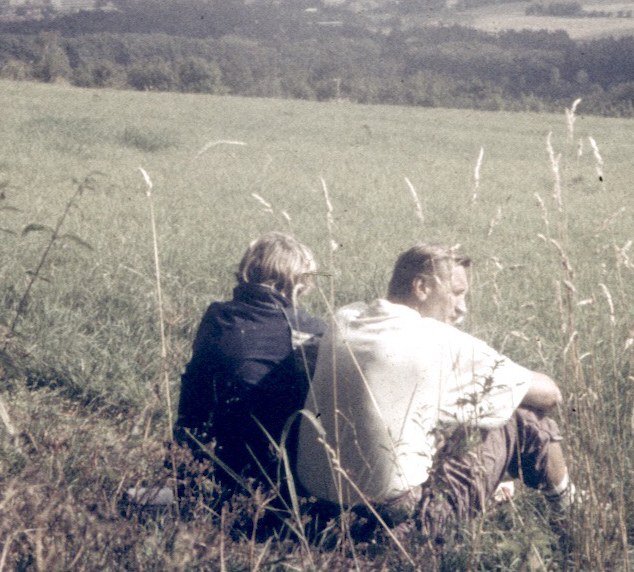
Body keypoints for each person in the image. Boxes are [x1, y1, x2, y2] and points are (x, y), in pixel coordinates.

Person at [294, 243, 575, 541]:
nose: (462, 307)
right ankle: (570, 513)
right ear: (422, 287)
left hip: (319, 512)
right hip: (400, 522)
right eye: (456, 293)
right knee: (523, 415)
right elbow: (550, 394)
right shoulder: (438, 341)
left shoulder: (345, 318)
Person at [175, 232, 326, 490]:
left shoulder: (218, 317)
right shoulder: (313, 330)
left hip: (216, 460)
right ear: (298, 282)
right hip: (282, 473)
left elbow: (195, 390)